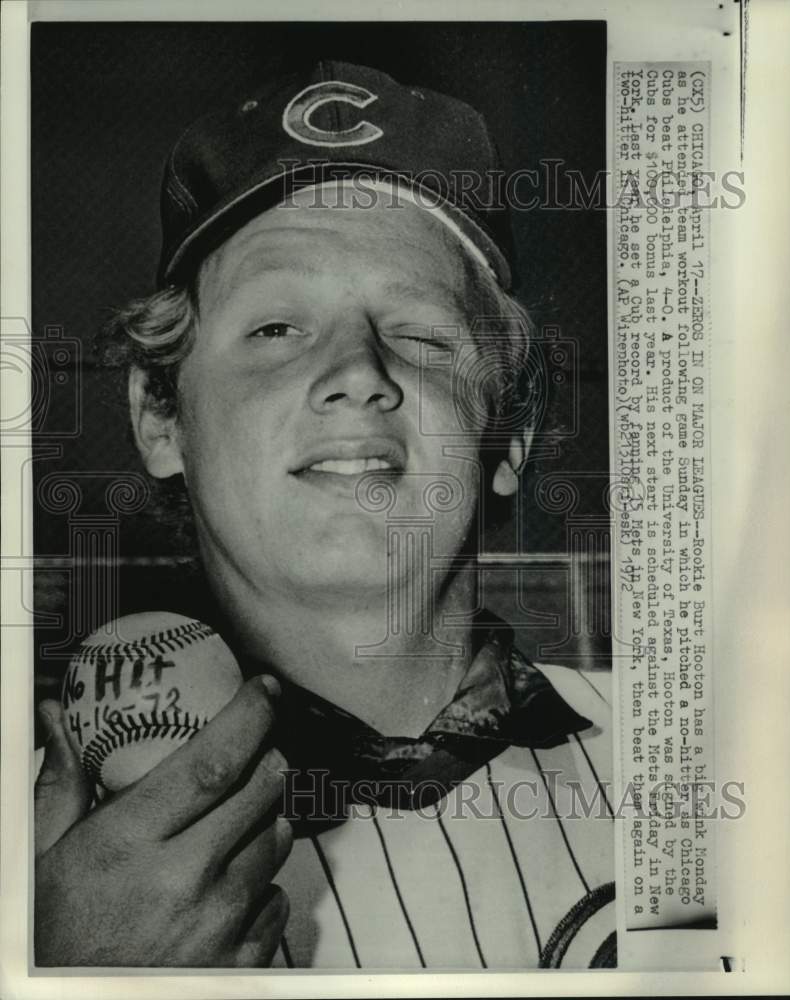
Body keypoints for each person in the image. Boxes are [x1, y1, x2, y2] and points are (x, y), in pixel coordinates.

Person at [34, 61, 615, 969]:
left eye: (420, 334)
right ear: (159, 416)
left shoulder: (711, 773)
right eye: (275, 329)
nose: (357, 371)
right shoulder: (27, 858)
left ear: (509, 432)